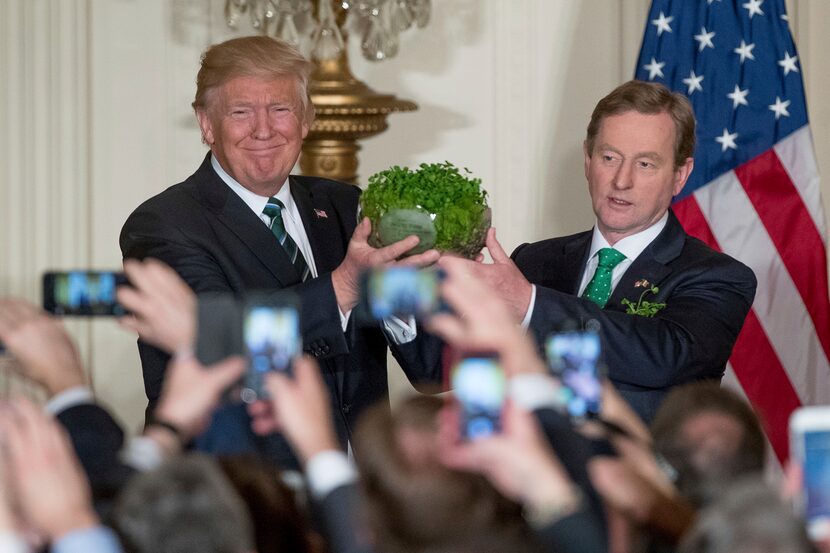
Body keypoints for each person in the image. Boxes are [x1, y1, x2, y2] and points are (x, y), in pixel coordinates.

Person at [119, 36, 441, 464]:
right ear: (206, 123)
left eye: (280, 109)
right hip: (242, 494)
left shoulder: (346, 206)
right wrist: (345, 286)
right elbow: (218, 337)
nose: (264, 129)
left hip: (359, 496)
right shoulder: (163, 224)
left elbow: (430, 370)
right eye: (241, 112)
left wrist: (401, 295)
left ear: (306, 119)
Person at [443, 80, 757, 422]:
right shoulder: (533, 262)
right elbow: (432, 368)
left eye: (645, 164)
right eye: (610, 157)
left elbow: (664, 357)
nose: (622, 181)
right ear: (588, 159)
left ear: (680, 175)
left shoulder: (719, 277)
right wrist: (401, 277)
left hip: (645, 474)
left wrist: (531, 304)